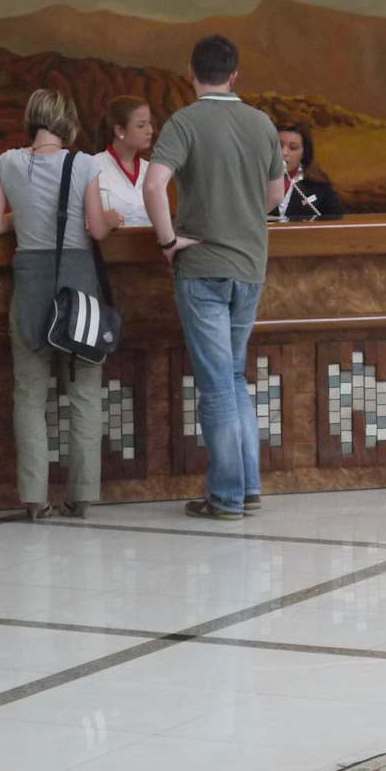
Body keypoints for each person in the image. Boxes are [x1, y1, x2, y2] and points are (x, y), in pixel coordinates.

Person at [142, 35, 285, 521]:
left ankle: (226, 496)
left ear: (191, 72)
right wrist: (240, 213)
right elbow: (275, 195)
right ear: (235, 74)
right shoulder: (261, 123)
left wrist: (167, 241)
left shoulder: (184, 122)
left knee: (218, 385)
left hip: (202, 266)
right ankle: (248, 487)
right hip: (250, 265)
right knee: (234, 378)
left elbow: (154, 185)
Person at [0, 88, 107, 521]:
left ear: (30, 120)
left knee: (29, 393)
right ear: (68, 122)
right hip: (79, 288)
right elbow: (97, 229)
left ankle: (35, 498)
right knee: (84, 392)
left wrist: (24, 216)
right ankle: (83, 495)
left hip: (31, 286)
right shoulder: (85, 164)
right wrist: (112, 218)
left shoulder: (7, 163)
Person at [86, 95, 153, 238]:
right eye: (141, 125)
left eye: (149, 123)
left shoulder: (151, 170)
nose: (150, 131)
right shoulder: (92, 166)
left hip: (150, 249)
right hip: (108, 249)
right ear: (119, 131)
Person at [270, 123, 346, 221]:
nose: (283, 153)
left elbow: (341, 220)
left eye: (293, 148)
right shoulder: (256, 181)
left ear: (304, 153)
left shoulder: (318, 186)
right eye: (279, 146)